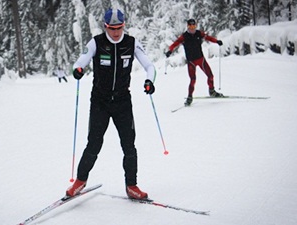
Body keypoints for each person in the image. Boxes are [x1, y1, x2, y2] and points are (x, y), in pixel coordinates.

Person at [66, 8, 156, 200]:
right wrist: (78, 69)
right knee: (94, 143)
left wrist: (149, 81)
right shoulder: (97, 43)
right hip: (100, 101)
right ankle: (80, 181)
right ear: (105, 26)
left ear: (124, 25)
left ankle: (132, 186)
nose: (115, 32)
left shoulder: (131, 43)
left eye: (119, 28)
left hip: (123, 101)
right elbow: (79, 62)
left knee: (129, 145)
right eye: (111, 28)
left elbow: (150, 66)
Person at [165, 19, 224, 106]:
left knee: (210, 76)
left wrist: (217, 41)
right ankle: (189, 97)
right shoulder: (184, 36)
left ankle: (212, 91)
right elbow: (175, 43)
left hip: (201, 59)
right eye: (190, 26)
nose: (192, 28)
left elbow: (208, 38)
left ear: (196, 26)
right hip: (191, 62)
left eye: (194, 26)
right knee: (193, 80)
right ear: (188, 27)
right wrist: (170, 51)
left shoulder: (199, 33)